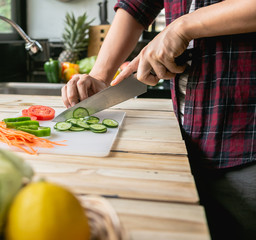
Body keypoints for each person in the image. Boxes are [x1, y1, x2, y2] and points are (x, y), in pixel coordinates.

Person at [61, 0, 256, 239]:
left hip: (247, 144)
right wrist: (100, 76)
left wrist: (182, 27)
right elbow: (137, 6)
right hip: (186, 139)